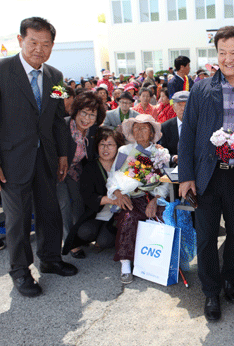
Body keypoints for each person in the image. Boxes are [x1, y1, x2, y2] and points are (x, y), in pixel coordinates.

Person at [0, 17, 76, 297]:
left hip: (47, 159)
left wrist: (64, 153)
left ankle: (51, 259)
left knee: (50, 212)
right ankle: (20, 272)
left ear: (52, 46)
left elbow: (59, 119)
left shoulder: (55, 76)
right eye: (33, 42)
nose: (39, 49)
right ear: (20, 41)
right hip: (9, 162)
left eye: (46, 44)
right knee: (17, 220)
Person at [178, 25, 234, 322]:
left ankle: (231, 277)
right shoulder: (201, 89)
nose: (228, 59)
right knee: (205, 237)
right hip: (206, 175)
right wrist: (186, 176)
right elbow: (188, 134)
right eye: (222, 52)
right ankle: (211, 292)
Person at [106, 114, 170, 284]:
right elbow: (114, 176)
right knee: (128, 218)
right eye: (136, 128)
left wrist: (156, 199)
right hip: (131, 197)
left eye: (144, 127)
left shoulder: (161, 153)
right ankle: (125, 263)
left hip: (152, 196)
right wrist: (119, 193)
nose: (139, 131)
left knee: (163, 217)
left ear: (151, 132)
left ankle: (157, 263)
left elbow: (165, 181)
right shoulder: (124, 151)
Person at [62, 127, 126, 257]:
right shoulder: (90, 167)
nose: (105, 149)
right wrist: (111, 200)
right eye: (102, 144)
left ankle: (104, 238)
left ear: (117, 146)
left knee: (104, 241)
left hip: (117, 215)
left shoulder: (123, 165)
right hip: (98, 213)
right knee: (84, 231)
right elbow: (89, 197)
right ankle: (98, 235)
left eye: (110, 145)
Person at [58, 91, 106, 258]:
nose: (87, 118)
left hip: (76, 171)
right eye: (83, 113)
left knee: (79, 201)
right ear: (76, 111)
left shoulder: (93, 130)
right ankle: (69, 242)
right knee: (64, 204)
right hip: (55, 170)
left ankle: (77, 236)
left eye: (92, 114)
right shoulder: (63, 126)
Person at [159, 91, 188, 165]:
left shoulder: (198, 125)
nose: (183, 108)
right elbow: (162, 151)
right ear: (174, 108)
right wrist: (173, 158)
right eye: (179, 105)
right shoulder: (165, 127)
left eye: (186, 105)